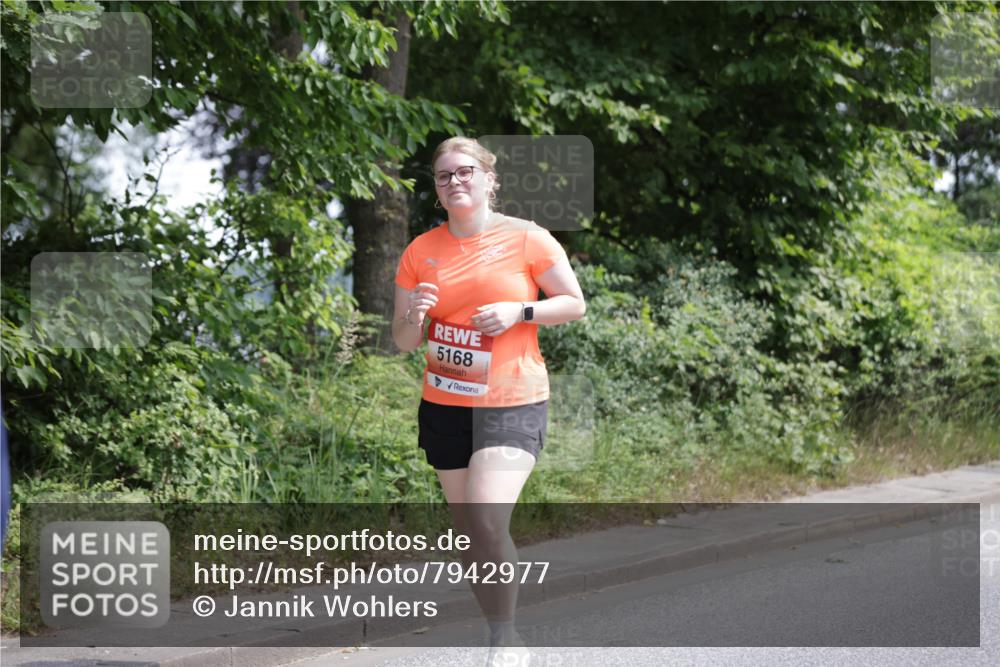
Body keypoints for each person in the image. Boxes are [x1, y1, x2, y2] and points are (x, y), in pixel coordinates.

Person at [392, 137, 586, 667]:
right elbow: (405, 341)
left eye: (464, 172)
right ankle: (502, 631)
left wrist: (519, 311)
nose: (455, 181)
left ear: (488, 179)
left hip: (513, 398)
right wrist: (416, 314)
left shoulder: (527, 238)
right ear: (436, 189)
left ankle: (504, 642)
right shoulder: (420, 251)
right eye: (444, 176)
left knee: (484, 518)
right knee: (470, 533)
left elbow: (573, 303)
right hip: (446, 402)